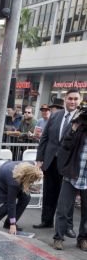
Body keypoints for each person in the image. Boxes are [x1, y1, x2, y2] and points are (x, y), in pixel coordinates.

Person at [33, 88, 81, 233]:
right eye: (70, 98)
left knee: (67, 197)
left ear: (79, 101)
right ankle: (46, 221)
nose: (72, 101)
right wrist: (40, 159)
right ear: (65, 99)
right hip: (50, 161)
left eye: (75, 99)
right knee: (49, 192)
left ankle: (68, 227)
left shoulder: (82, 119)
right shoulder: (55, 115)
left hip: (68, 164)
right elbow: (45, 138)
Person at [53, 106, 87, 251]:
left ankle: (83, 239)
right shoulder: (79, 125)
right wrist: (73, 130)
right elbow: (66, 146)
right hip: (72, 173)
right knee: (63, 208)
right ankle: (58, 238)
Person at [0, 161, 42, 234]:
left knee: (26, 198)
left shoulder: (30, 165)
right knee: (9, 202)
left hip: (13, 174)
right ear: (26, 178)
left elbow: (27, 178)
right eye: (31, 181)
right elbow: (11, 203)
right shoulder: (14, 182)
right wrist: (13, 224)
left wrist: (30, 186)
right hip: (3, 180)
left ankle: (8, 223)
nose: (32, 182)